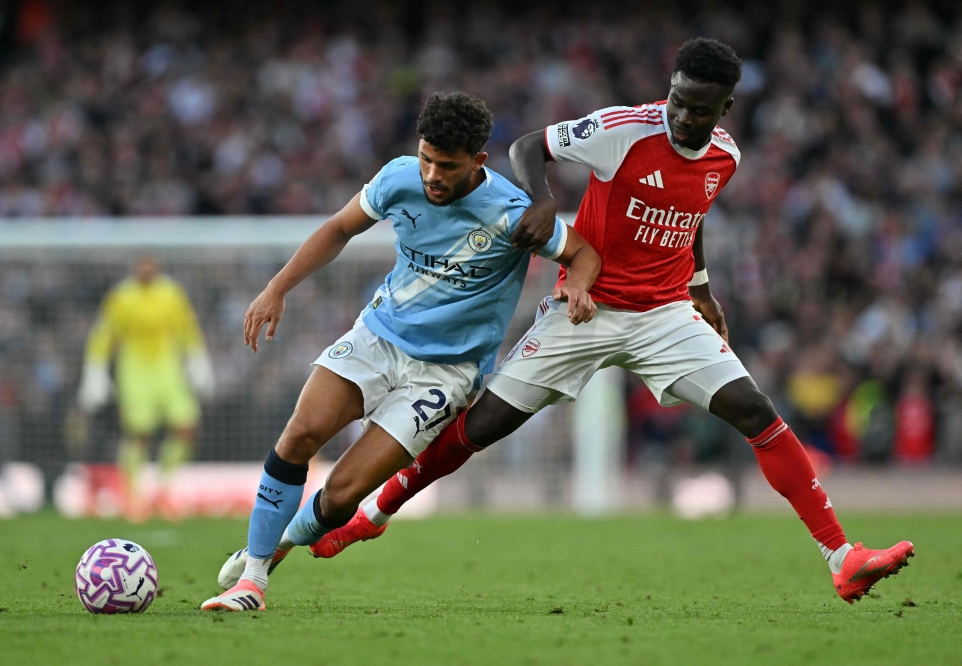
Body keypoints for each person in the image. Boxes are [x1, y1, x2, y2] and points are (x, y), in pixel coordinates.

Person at [270, 38, 914, 605]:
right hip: (585, 306)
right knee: (478, 427)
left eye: (700, 107)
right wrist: (545, 201)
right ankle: (374, 513)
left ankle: (841, 557)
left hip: (666, 313)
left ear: (726, 109)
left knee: (756, 412)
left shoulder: (726, 157)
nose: (683, 115)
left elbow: (689, 219)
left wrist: (703, 290)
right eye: (677, 100)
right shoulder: (624, 129)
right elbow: (530, 145)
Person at [201, 92, 601, 612]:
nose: (432, 175)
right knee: (300, 433)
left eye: (447, 166)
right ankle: (252, 580)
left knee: (343, 495)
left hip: (445, 374)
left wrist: (579, 286)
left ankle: (277, 546)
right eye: (426, 158)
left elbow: (583, 252)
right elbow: (339, 227)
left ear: (478, 162)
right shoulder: (398, 178)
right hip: (378, 336)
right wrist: (277, 288)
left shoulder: (510, 212)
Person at [78, 256, 215, 520]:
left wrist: (198, 360)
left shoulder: (171, 294)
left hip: (168, 369)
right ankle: (133, 499)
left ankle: (162, 491)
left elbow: (187, 328)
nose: (146, 267)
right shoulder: (122, 297)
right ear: (135, 267)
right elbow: (104, 334)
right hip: (134, 371)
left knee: (187, 428)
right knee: (138, 435)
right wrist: (95, 370)